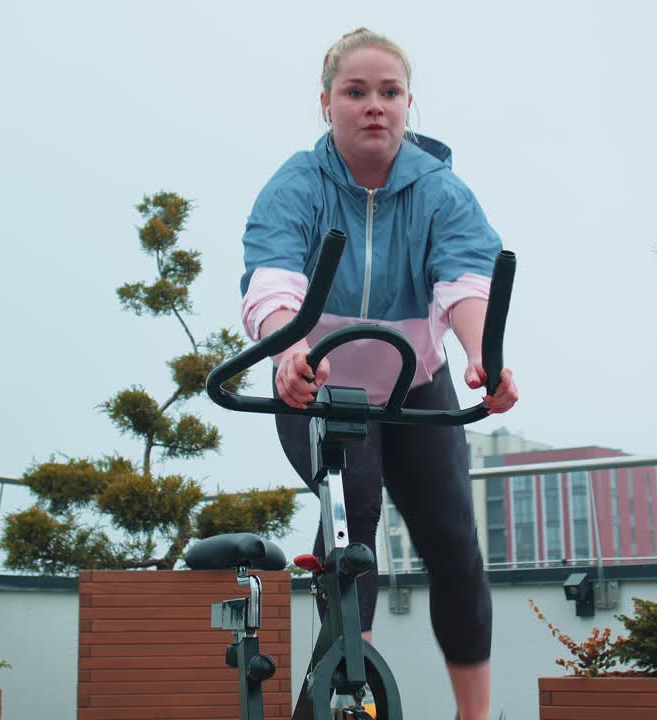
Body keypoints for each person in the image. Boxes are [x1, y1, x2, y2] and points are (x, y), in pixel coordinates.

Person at [238, 28, 519, 720]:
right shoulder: (297, 186)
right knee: (354, 509)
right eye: (356, 92)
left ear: (408, 103)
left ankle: (473, 714)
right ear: (327, 104)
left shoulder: (440, 191)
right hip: (318, 381)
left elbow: (465, 284)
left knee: (453, 538)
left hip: (414, 383)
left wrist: (485, 356)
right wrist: (286, 354)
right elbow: (272, 285)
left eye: (389, 93)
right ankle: (348, 697)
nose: (374, 106)